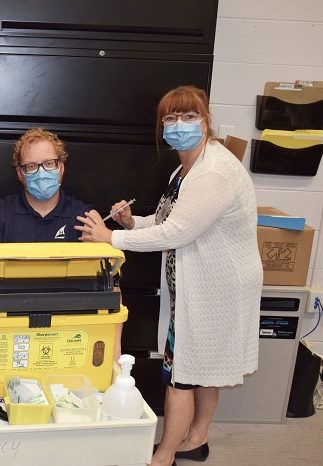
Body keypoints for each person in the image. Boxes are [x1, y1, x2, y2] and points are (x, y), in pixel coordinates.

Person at [77, 85, 262, 466]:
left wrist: (113, 236)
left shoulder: (213, 171)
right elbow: (170, 221)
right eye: (170, 118)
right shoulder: (187, 167)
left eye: (188, 116)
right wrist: (133, 222)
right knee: (205, 369)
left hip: (218, 286)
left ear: (206, 121)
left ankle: (164, 456)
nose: (179, 125)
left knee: (182, 374)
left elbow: (177, 234)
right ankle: (196, 440)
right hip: (205, 282)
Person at [0, 128, 123, 361]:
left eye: (49, 163)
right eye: (31, 166)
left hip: (73, 339)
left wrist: (114, 360)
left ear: (61, 168)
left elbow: (110, 285)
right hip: (10, 336)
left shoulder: (85, 218)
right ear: (20, 173)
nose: (41, 172)